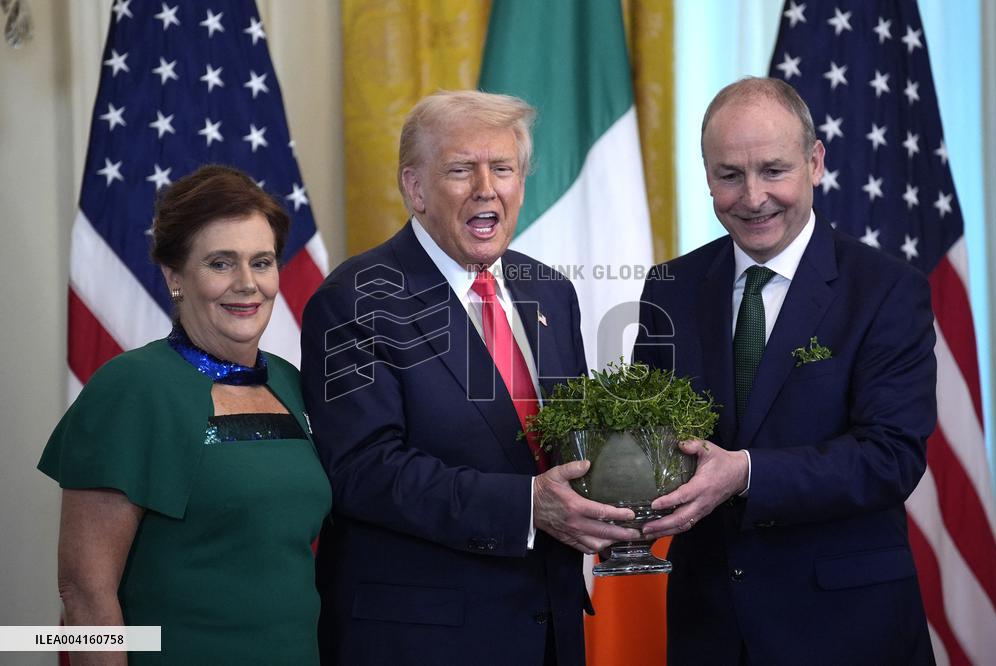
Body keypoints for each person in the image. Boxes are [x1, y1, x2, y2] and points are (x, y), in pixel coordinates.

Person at [301, 90, 638, 665]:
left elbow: (567, 443)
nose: (487, 188)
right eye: (462, 170)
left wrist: (625, 487)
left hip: (548, 629)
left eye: (503, 168)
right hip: (424, 637)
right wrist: (525, 507)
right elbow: (362, 471)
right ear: (415, 188)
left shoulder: (549, 290)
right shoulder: (353, 299)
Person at [634, 77, 936, 666]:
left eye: (773, 170)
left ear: (815, 162)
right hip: (710, 630)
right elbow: (654, 444)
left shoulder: (887, 290)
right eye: (729, 175)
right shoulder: (669, 288)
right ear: (707, 178)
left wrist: (744, 474)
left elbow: (891, 457)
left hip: (847, 630)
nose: (752, 197)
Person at [39, 165, 331, 665]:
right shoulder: (132, 388)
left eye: (261, 262)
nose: (247, 284)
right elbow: (84, 593)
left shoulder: (290, 381)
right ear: (174, 276)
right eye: (221, 263)